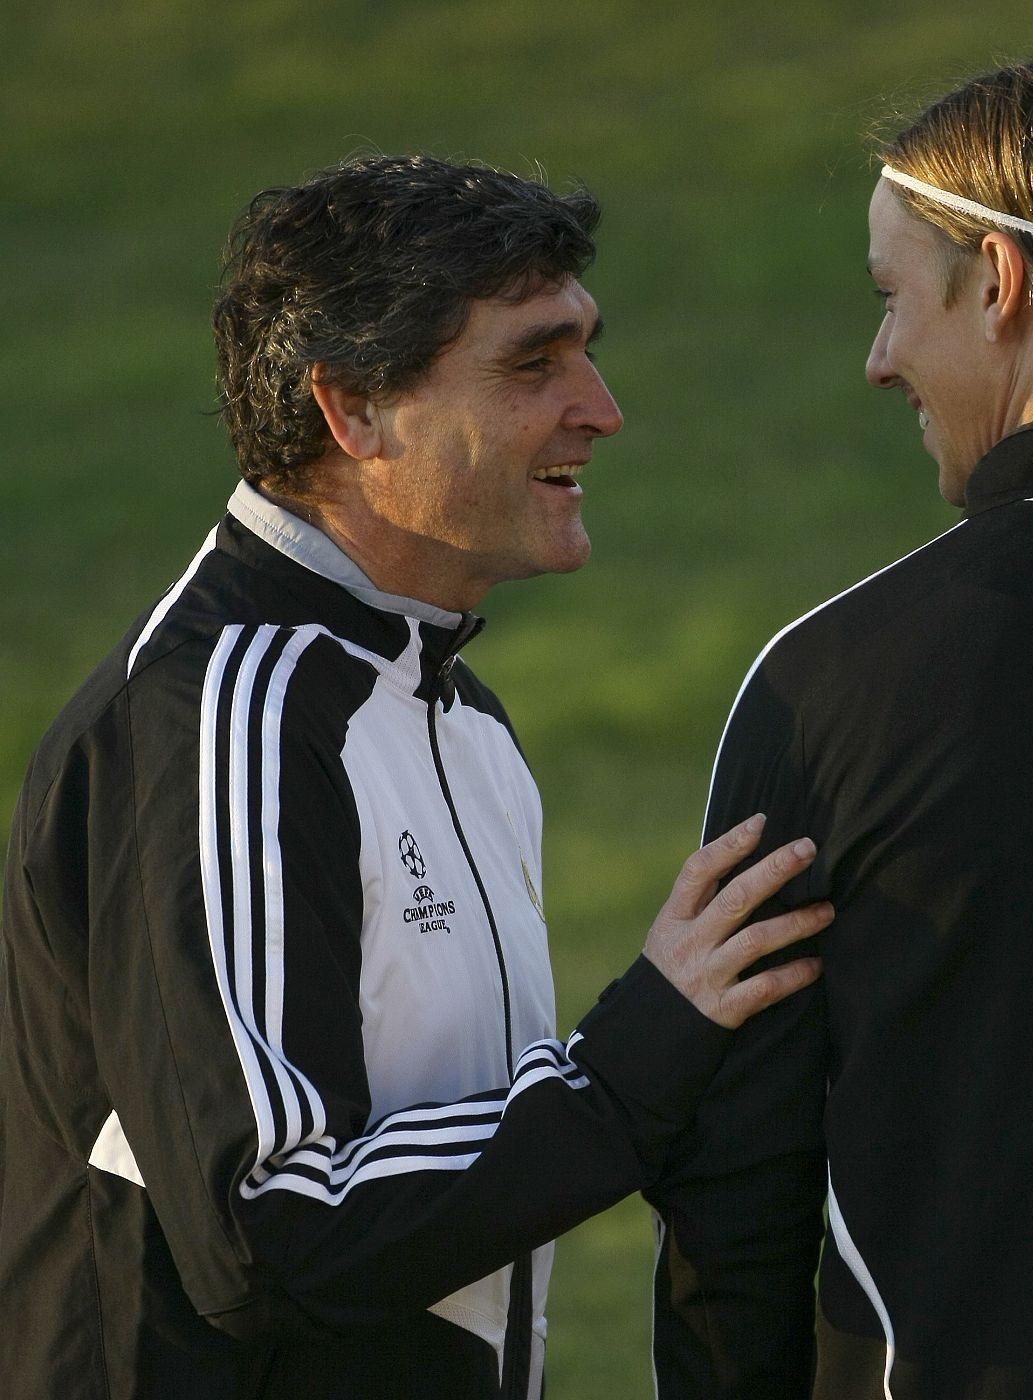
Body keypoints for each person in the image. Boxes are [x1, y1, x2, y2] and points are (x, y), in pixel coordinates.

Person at [0, 154, 832, 1400]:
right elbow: (269, 1230)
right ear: (354, 413)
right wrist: (627, 1071)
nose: (600, 407)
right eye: (532, 362)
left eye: (586, 351)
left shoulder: (459, 716)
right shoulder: (223, 714)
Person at [648, 53, 1033, 1400]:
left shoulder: (827, 685)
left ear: (997, 284)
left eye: (890, 300)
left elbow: (741, 1180)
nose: (878, 362)